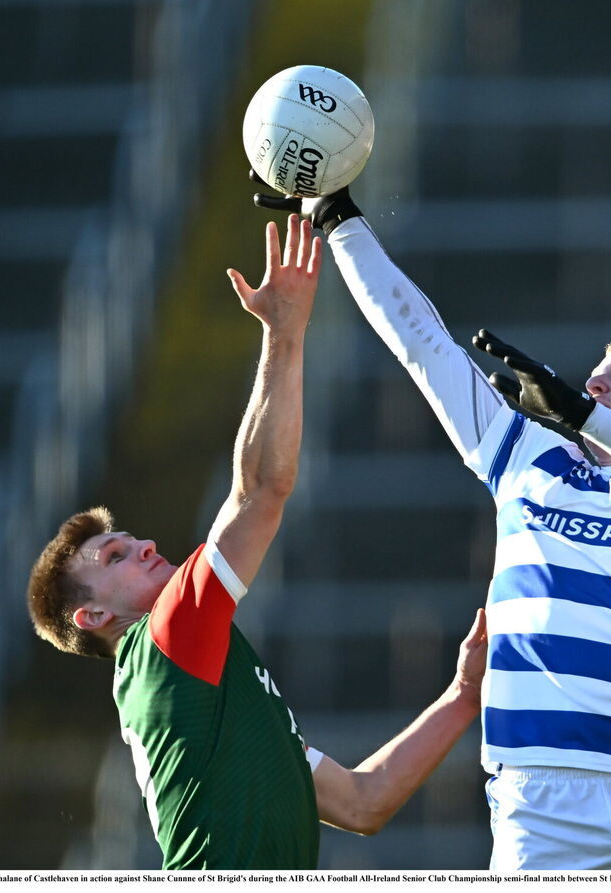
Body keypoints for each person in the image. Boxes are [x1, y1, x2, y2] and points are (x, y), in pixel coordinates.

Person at [252, 183, 611, 870]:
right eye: (594, 376)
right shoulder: (532, 457)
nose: (594, 382)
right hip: (542, 807)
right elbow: (423, 344)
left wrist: (586, 418)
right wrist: (337, 219)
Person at [26, 215, 488, 870]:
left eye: (128, 538)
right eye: (115, 556)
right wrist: (284, 331)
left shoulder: (211, 689)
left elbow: (365, 800)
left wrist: (463, 694)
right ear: (95, 616)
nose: (144, 545)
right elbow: (261, 490)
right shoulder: (163, 639)